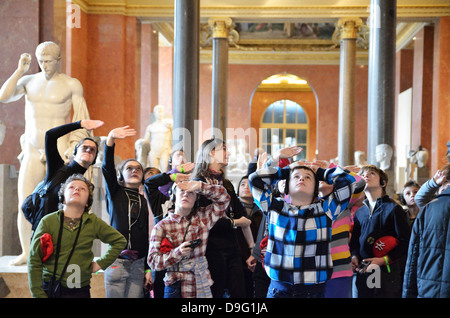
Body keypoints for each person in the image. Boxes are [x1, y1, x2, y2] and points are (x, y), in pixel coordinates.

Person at [0, 41, 92, 265]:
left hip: (59, 149)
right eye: (40, 61)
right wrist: (20, 70)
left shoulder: (71, 84)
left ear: (58, 60)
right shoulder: (29, 81)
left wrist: (75, 145)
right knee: (26, 200)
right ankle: (26, 252)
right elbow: (3, 96)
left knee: (64, 201)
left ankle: (65, 251)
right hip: (32, 148)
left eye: (48, 61)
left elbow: (81, 118)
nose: (44, 65)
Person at [249, 146, 365, 298]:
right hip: (279, 288)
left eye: (308, 177)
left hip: (312, 291)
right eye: (296, 177)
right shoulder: (275, 207)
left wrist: (320, 172)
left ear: (316, 189)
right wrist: (287, 171)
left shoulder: (326, 209)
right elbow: (255, 179)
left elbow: (349, 181)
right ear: (287, 188)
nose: (301, 178)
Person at [27, 174, 126, 298]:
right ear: (63, 198)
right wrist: (38, 294)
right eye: (71, 187)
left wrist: (100, 263)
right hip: (52, 286)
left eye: (82, 188)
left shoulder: (93, 222)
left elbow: (119, 241)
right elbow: (34, 260)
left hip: (79, 289)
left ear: (87, 203)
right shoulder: (48, 221)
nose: (77, 189)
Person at [191, 138, 252, 298]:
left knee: (240, 295)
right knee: (214, 294)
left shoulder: (227, 184)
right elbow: (207, 221)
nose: (229, 153)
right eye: (224, 149)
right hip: (211, 248)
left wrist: (251, 249)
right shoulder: (199, 183)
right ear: (211, 152)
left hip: (233, 248)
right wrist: (235, 222)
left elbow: (241, 213)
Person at [148, 180, 231, 298]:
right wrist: (178, 252)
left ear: (196, 199)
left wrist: (199, 186)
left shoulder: (203, 217)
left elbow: (224, 198)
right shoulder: (161, 226)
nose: (186, 194)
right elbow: (153, 262)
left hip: (200, 281)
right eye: (182, 191)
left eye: (191, 193)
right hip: (176, 284)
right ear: (174, 196)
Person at [101, 126, 152, 298]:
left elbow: (145, 235)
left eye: (138, 168)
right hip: (117, 262)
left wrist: (147, 267)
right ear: (121, 176)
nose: (134, 170)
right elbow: (107, 168)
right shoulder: (115, 193)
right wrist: (110, 140)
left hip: (138, 265)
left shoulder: (144, 201)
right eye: (129, 168)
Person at [28, 119, 103, 233]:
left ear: (93, 160)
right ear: (75, 152)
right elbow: (50, 135)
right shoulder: (57, 168)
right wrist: (79, 124)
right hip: (43, 234)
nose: (88, 150)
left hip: (67, 238)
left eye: (93, 150)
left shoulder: (86, 187)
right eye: (84, 147)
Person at [350, 164, 411, 298]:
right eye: (363, 175)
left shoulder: (394, 209)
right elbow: (354, 241)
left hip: (385, 270)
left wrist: (383, 260)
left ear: (382, 183)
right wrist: (354, 256)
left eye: (371, 174)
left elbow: (405, 241)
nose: (366, 176)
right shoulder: (360, 212)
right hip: (363, 268)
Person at [403, 164, 450, 298]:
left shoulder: (429, 209)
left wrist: (408, 293)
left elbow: (413, 257)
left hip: (429, 287)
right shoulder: (430, 208)